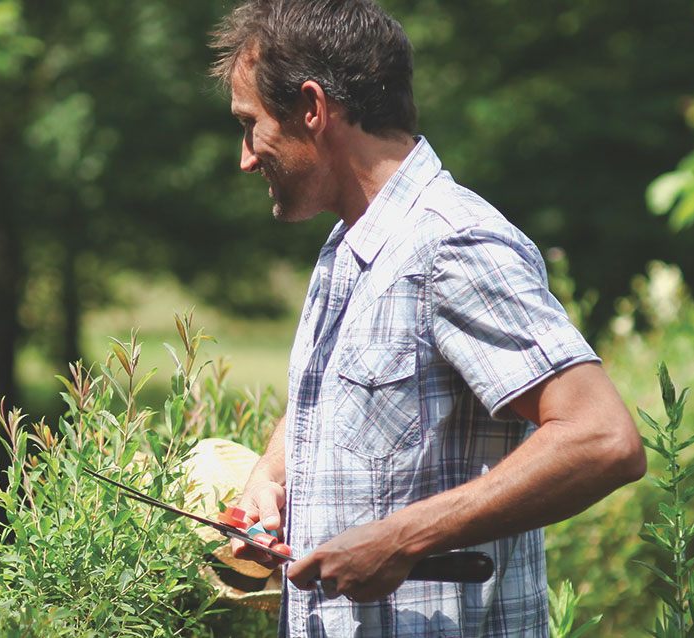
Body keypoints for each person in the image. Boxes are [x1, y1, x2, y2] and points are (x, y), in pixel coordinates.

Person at [207, 1, 646, 636]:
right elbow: (349, 398)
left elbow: (603, 439)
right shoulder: (346, 248)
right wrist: (268, 478)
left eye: (251, 125)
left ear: (312, 109)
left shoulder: (453, 246)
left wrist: (400, 539)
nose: (246, 156)